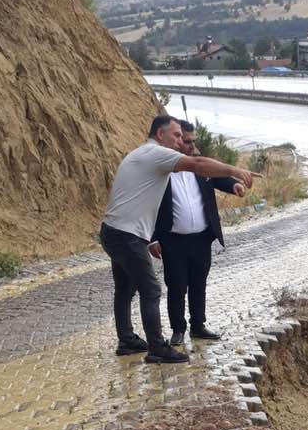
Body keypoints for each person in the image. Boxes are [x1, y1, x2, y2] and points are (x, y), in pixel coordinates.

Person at [100, 115, 252, 363]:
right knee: (151, 290)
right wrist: (235, 169)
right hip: (127, 235)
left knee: (125, 289)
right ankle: (157, 348)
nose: (180, 141)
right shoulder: (156, 153)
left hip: (113, 230)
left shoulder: (141, 153)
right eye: (177, 136)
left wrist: (229, 181)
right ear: (160, 135)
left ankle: (127, 340)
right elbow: (199, 164)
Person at [152, 120, 247, 346]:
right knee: (176, 286)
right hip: (172, 240)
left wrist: (233, 185)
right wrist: (152, 238)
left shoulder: (200, 166)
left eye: (194, 141)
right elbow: (147, 205)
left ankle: (198, 325)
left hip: (202, 238)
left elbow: (218, 177)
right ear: (175, 140)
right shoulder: (158, 168)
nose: (191, 146)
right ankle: (177, 329)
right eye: (186, 141)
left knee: (199, 283)